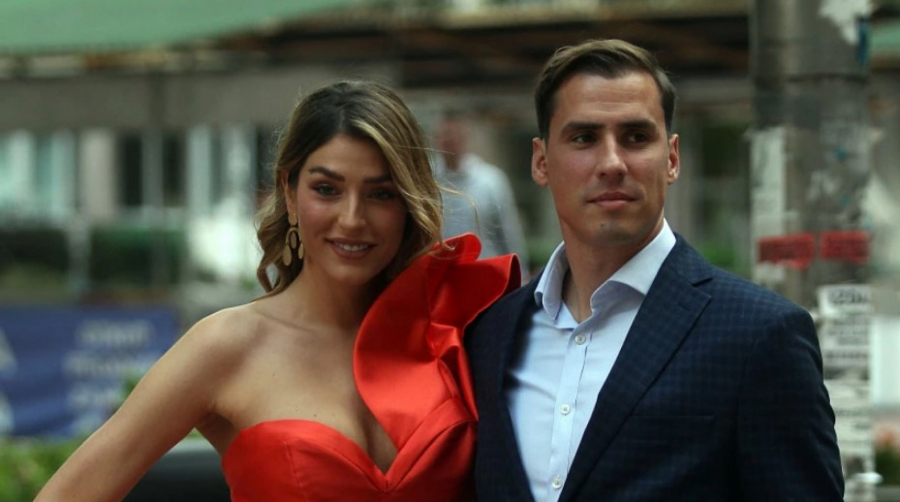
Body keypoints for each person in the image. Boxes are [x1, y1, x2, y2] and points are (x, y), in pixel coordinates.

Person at [36, 80, 519, 501]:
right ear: (288, 192)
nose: (352, 219)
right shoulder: (226, 346)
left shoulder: (455, 328)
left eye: (380, 194)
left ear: (408, 204)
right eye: (327, 189)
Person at [465, 39, 844, 501]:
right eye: (584, 138)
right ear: (541, 162)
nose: (611, 163)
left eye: (636, 138)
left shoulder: (760, 336)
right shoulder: (489, 335)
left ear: (672, 158)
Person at [433, 111, 530, 271]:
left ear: (464, 138)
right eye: (444, 135)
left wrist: (520, 274)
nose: (449, 141)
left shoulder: (490, 180)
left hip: (483, 273)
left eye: (454, 135)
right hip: (441, 274)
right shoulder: (428, 181)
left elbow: (509, 233)